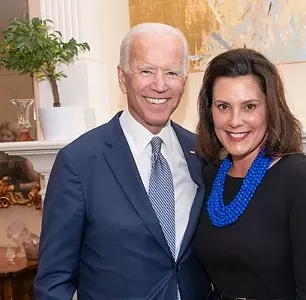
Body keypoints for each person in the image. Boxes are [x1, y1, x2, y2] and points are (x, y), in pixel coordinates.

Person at [34, 23, 210, 300]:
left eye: (172, 72)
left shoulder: (204, 153)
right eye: (146, 71)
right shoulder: (78, 162)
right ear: (122, 77)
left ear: (185, 81)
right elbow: (54, 280)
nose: (160, 84)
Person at [194, 48, 306, 300]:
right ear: (210, 112)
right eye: (223, 106)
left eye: (249, 106)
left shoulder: (302, 178)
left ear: (270, 109)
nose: (235, 120)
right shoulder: (208, 176)